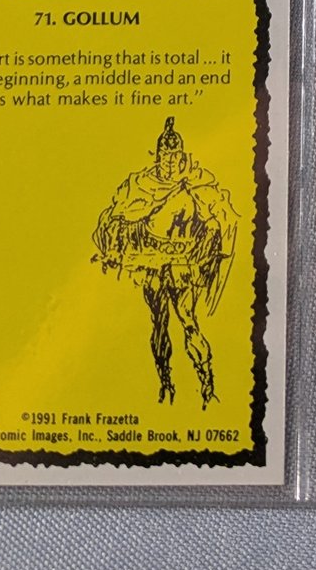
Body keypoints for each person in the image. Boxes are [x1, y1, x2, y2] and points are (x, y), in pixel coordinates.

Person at [92, 116, 239, 408]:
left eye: (175, 156)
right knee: (159, 322)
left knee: (188, 319)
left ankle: (207, 382)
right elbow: (114, 217)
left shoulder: (196, 183)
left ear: (181, 156)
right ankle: (166, 380)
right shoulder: (139, 185)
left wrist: (209, 239)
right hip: (151, 264)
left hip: (183, 264)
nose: (170, 162)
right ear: (157, 155)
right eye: (165, 155)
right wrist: (118, 241)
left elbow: (221, 218)